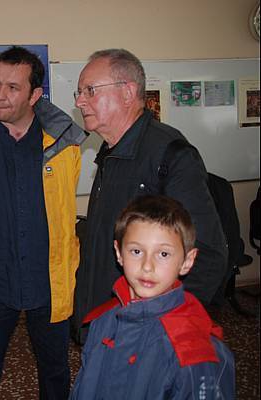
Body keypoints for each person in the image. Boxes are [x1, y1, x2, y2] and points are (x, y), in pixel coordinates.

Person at [0, 46, 87, 399]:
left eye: (12, 87)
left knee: (55, 369)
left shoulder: (64, 144)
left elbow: (64, 206)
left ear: (35, 95)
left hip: (48, 279)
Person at [71, 48, 228, 344]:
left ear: (128, 92)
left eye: (89, 90)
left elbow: (208, 256)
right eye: (79, 92)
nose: (79, 101)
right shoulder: (111, 152)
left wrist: (157, 333)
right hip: (105, 326)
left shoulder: (170, 155)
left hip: (140, 335)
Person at [70, 195, 235, 399]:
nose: (147, 266)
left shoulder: (195, 354)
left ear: (187, 261)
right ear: (119, 252)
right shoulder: (103, 320)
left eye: (163, 254)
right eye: (136, 251)